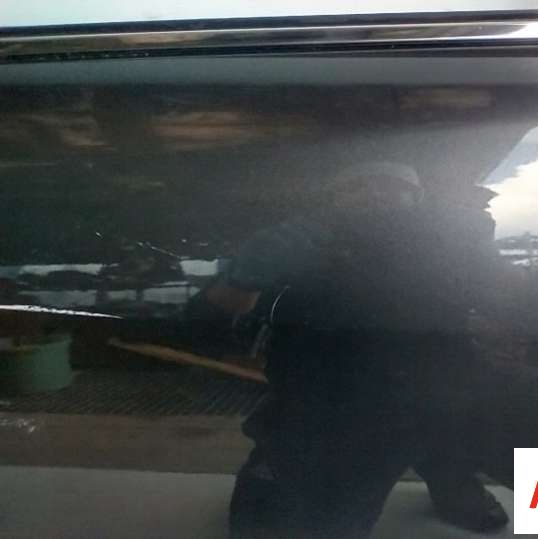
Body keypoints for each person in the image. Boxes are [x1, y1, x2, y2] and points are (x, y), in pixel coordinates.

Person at [186, 162, 510, 537]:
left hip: (430, 404)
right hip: (318, 412)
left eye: (391, 187)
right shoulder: (297, 247)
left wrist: (486, 261)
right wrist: (241, 279)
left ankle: (451, 476)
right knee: (263, 528)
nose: (375, 195)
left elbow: (518, 309)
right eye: (359, 187)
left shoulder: (448, 252)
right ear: (332, 200)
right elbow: (205, 324)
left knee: (449, 437)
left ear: (418, 199)